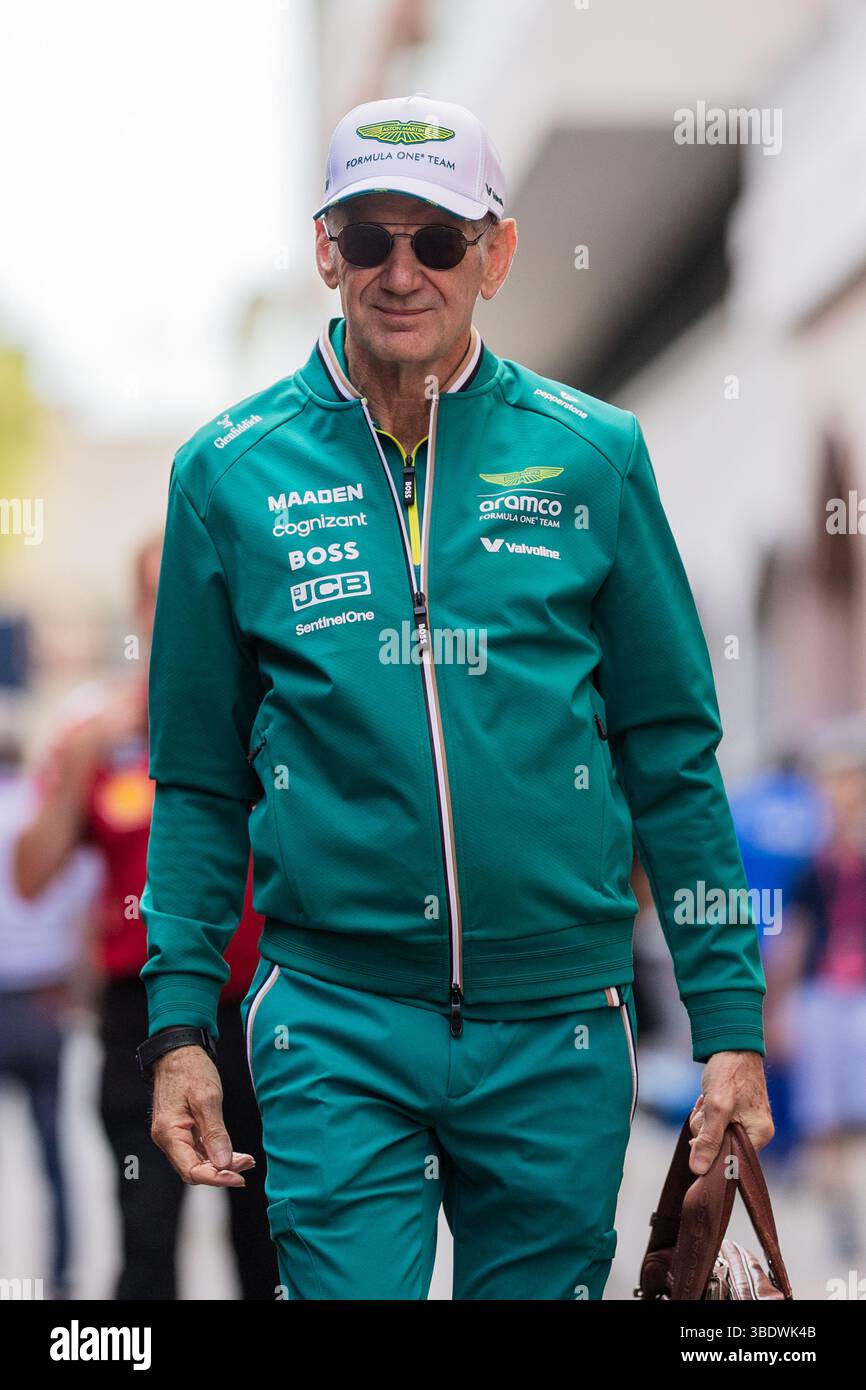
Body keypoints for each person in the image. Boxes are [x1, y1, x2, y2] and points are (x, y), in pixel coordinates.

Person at [139, 94, 772, 1301]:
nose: (400, 271)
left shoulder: (592, 456)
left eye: (435, 240)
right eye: (367, 238)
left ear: (495, 250)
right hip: (333, 1019)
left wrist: (727, 1020)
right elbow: (198, 779)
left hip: (558, 1027)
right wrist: (179, 1025)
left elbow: (671, 756)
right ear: (323, 246)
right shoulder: (226, 472)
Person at [14, 538, 275, 1300]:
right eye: (162, 595)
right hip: (142, 1019)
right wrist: (79, 763)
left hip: (263, 1015)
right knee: (145, 1234)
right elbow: (29, 877)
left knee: (267, 1245)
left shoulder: (275, 716)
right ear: (138, 610)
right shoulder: (97, 732)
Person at [0, 729, 102, 1299]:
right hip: (43, 997)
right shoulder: (46, 816)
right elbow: (83, 904)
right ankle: (60, 1278)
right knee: (53, 1151)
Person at [769, 744, 866, 1259]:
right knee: (824, 1115)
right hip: (824, 999)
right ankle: (842, 1210)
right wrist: (777, 1009)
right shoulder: (810, 871)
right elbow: (792, 942)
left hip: (858, 1000)